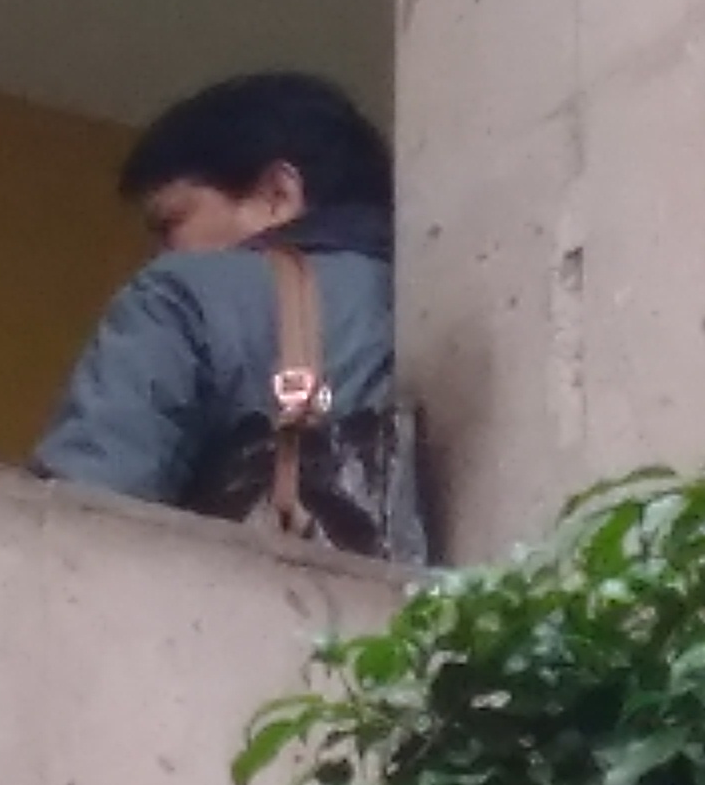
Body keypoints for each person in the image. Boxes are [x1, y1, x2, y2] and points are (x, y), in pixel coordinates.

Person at [30, 72, 423, 561]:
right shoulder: (448, 301)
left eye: (171, 222)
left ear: (278, 194)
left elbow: (78, 522)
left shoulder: (180, 295)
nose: (160, 253)